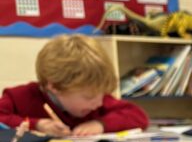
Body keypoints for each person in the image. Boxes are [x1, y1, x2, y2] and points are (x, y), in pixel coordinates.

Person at [0, 34, 149, 135]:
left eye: (102, 95)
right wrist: (37, 125)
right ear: (55, 87)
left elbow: (138, 116)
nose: (98, 103)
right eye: (88, 97)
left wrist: (100, 124)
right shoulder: (20, 97)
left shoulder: (97, 100)